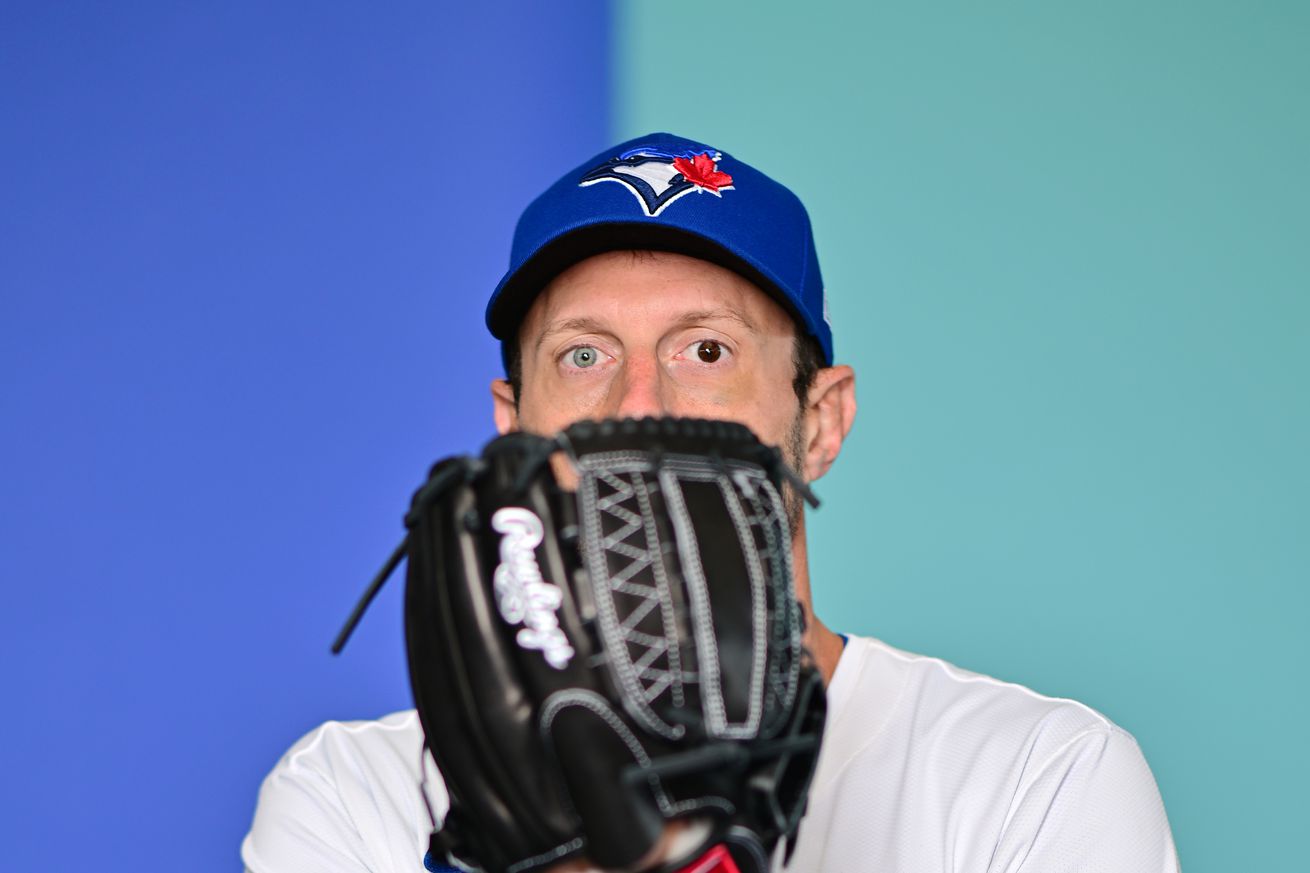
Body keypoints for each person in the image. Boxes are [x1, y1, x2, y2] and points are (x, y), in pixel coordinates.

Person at [243, 133, 1180, 872]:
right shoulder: (359, 792)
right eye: (584, 354)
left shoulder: (1033, 777)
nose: (640, 402)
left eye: (706, 349)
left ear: (821, 418)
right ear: (511, 429)